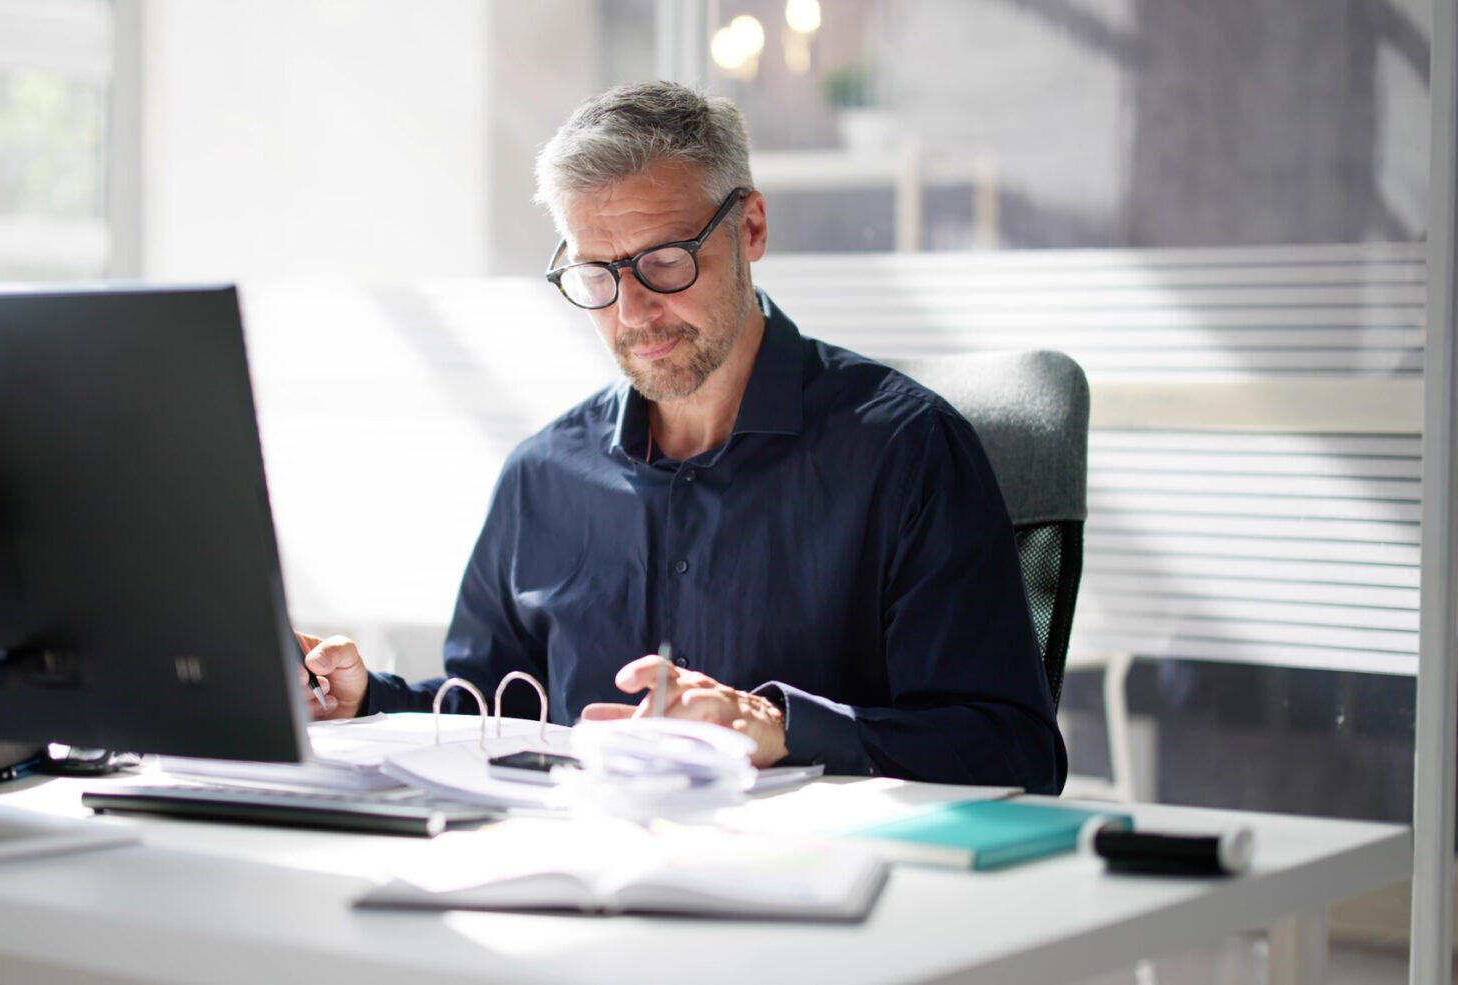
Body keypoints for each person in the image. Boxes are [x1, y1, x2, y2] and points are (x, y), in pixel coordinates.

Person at [299, 81, 1065, 792]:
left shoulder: (908, 453)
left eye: (663, 262)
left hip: (824, 898)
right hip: (582, 887)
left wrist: (780, 728)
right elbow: (494, 713)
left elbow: (1011, 749)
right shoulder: (543, 476)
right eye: (598, 274)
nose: (632, 313)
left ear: (751, 228)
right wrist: (366, 697)